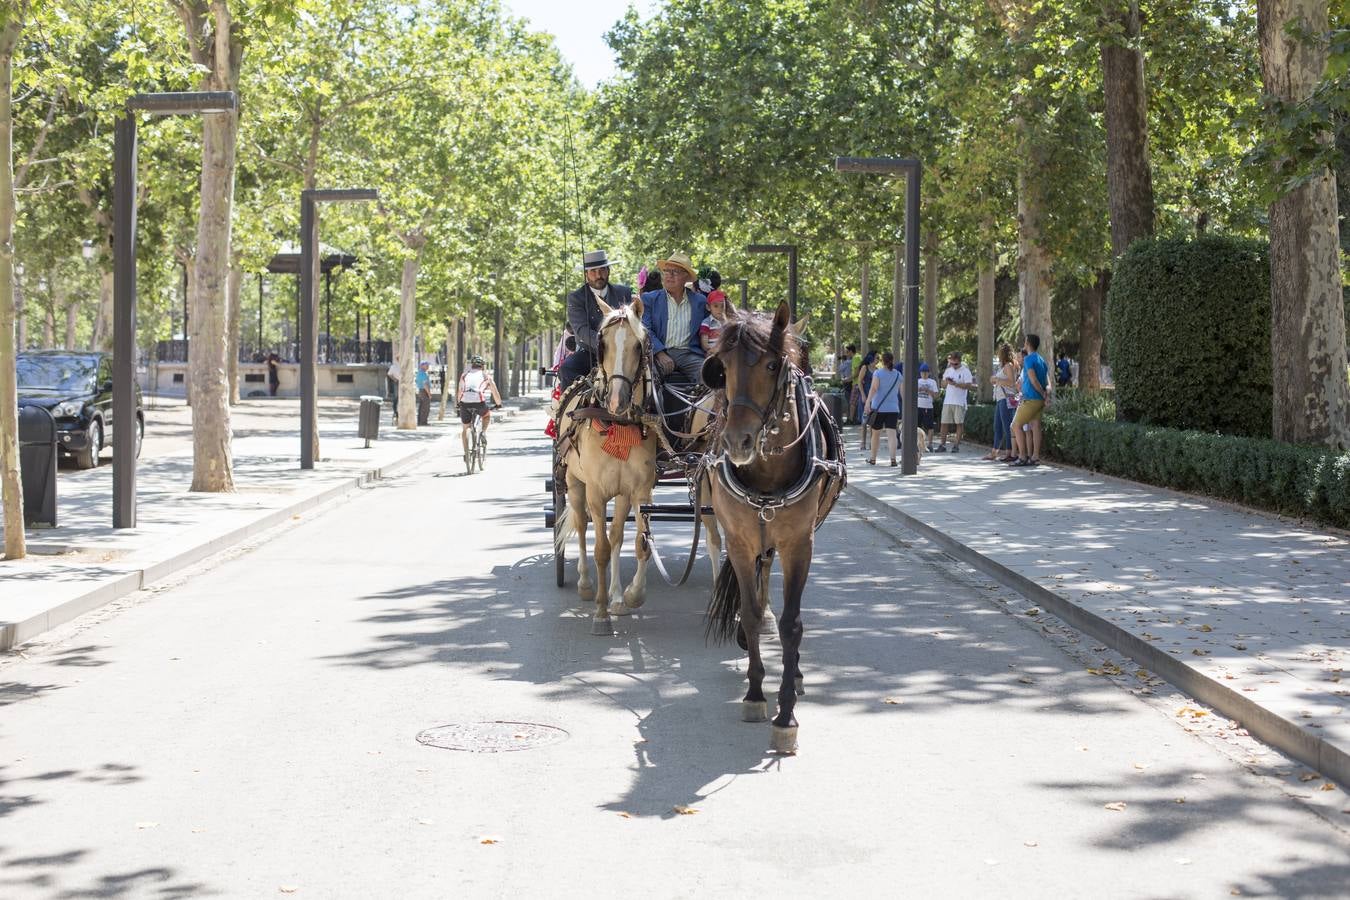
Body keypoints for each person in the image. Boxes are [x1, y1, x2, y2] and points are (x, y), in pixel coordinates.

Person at [559, 250, 634, 389]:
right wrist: (607, 344)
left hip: (621, 353)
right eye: (593, 271)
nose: (598, 275)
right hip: (589, 354)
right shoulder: (576, 298)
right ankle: (569, 410)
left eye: (602, 270)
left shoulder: (624, 293)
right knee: (566, 369)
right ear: (586, 274)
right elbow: (582, 330)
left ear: (608, 271)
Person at [640, 251, 708, 385]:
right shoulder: (650, 299)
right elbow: (645, 329)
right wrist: (660, 353)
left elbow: (708, 328)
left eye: (675, 272)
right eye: (666, 271)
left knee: (709, 376)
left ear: (686, 277)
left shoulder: (700, 302)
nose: (669, 276)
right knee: (645, 380)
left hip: (689, 354)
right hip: (658, 354)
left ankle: (702, 406)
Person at [1010, 333, 1050, 466]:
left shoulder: (1028, 360)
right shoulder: (1041, 360)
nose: (1024, 344)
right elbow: (1046, 380)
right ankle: (1035, 457)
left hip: (1031, 399)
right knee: (1036, 426)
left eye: (1025, 342)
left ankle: (1022, 457)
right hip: (1038, 401)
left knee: (1015, 425)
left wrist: (1042, 392)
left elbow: (1033, 380)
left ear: (1028, 344)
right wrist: (1045, 394)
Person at [457, 354, 502, 457]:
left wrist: (458, 403)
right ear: (482, 366)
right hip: (479, 403)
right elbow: (495, 392)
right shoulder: (486, 376)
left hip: (464, 404)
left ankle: (466, 453)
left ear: (472, 365)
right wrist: (498, 404)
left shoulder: (464, 375)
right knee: (486, 415)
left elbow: (460, 391)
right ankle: (483, 433)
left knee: (465, 428)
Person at [863, 351, 902, 466]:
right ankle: (893, 459)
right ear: (892, 360)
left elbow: (874, 389)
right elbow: (902, 392)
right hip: (893, 408)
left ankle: (873, 458)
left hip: (878, 408)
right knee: (892, 434)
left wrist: (867, 403)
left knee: (876, 434)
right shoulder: (898, 375)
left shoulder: (877, 373)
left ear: (882, 361)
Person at [934, 351, 974, 452]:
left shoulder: (965, 371)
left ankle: (956, 445)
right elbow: (942, 385)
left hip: (960, 401)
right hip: (948, 400)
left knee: (959, 423)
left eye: (955, 364)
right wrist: (946, 382)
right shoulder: (948, 370)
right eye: (951, 363)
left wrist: (956, 384)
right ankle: (942, 445)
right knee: (944, 423)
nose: (953, 365)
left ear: (960, 361)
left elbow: (969, 385)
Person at [986, 344, 1018, 461]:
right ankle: (994, 452)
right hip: (1001, 399)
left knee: (1007, 426)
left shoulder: (1009, 365)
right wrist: (995, 380)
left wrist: (996, 379)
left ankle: (1009, 453)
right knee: (998, 426)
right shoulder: (1003, 366)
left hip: (1006, 399)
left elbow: (1011, 383)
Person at [915, 362, 938, 451]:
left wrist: (928, 391)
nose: (924, 374)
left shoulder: (932, 382)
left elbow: (936, 396)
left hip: (928, 407)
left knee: (930, 427)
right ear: (920, 373)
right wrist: (918, 389)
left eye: (926, 372)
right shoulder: (917, 381)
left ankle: (930, 444)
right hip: (918, 406)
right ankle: (918, 443)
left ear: (929, 373)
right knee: (917, 426)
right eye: (922, 372)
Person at [416, 360, 432, 426]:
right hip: (424, 391)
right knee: (425, 408)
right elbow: (425, 385)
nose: (428, 366)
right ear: (422, 366)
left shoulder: (419, 373)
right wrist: (429, 394)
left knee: (421, 407)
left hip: (421, 391)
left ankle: (420, 421)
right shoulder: (423, 374)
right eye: (426, 365)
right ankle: (423, 422)